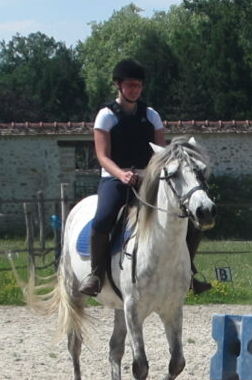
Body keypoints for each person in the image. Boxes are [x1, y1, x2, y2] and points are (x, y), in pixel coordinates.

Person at [80, 58, 211, 297]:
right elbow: (102, 156)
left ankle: (189, 271)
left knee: (191, 219)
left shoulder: (151, 115)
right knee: (103, 218)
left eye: (138, 86)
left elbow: (160, 154)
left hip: (148, 179)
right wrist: (121, 174)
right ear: (118, 86)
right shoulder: (106, 116)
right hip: (114, 179)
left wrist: (148, 174)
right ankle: (96, 274)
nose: (134, 90)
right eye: (130, 85)